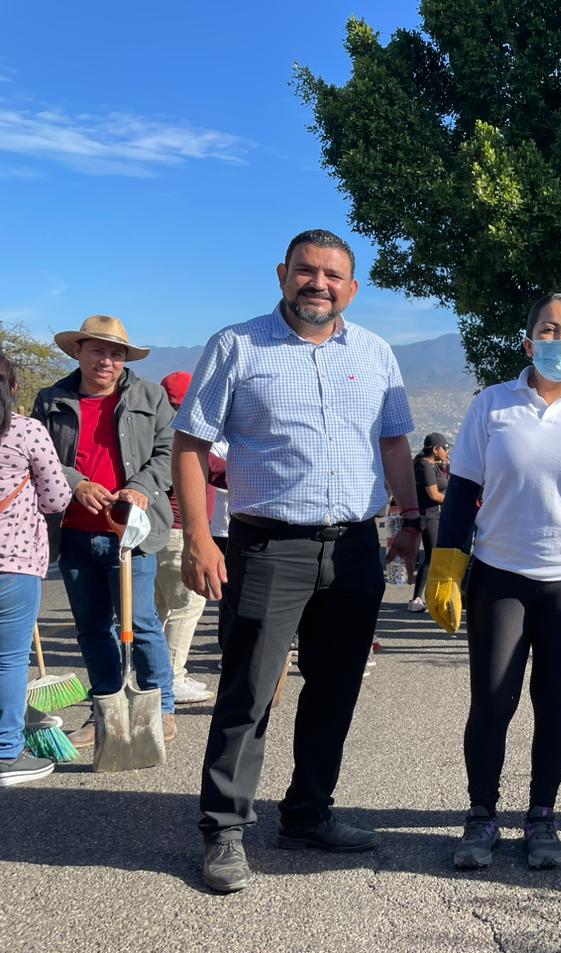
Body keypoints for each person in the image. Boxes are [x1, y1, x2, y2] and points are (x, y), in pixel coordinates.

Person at [171, 229, 420, 894]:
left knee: (336, 688)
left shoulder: (375, 353)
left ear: (352, 287)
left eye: (332, 275)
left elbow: (394, 441)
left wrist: (411, 521)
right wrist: (199, 537)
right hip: (267, 547)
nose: (319, 284)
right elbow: (192, 443)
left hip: (356, 548)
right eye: (306, 271)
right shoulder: (237, 345)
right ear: (283, 274)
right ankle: (223, 830)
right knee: (249, 692)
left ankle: (308, 814)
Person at [424, 292, 561, 871]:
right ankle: (481, 817)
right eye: (549, 329)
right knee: (492, 701)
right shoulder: (492, 405)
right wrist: (446, 565)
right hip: (500, 575)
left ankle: (542, 819)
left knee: (554, 703)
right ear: (528, 341)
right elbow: (464, 494)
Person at [32, 315, 177, 751]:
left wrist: (139, 488)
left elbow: (170, 453)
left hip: (132, 535)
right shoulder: (51, 400)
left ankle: (161, 707)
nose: (107, 361)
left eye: (116, 353)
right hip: (75, 531)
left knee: (141, 622)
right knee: (92, 627)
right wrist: (76, 482)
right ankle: (104, 709)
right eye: (97, 350)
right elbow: (39, 457)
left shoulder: (151, 398)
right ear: (78, 352)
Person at [0, 351, 73, 786]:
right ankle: (6, 751)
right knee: (8, 661)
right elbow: (56, 498)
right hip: (14, 564)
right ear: (11, 389)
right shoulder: (26, 431)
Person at [154, 371, 225, 705]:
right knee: (188, 605)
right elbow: (217, 469)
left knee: (157, 610)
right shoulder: (178, 437)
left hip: (155, 532)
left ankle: (152, 676)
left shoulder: (152, 431)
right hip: (180, 532)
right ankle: (172, 677)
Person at [408, 432, 449, 611]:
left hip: (435, 515)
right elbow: (433, 494)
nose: (447, 452)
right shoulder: (424, 466)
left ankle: (428, 596)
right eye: (445, 448)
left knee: (435, 556)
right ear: (435, 449)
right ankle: (416, 599)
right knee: (432, 556)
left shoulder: (432, 465)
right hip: (429, 515)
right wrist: (454, 501)